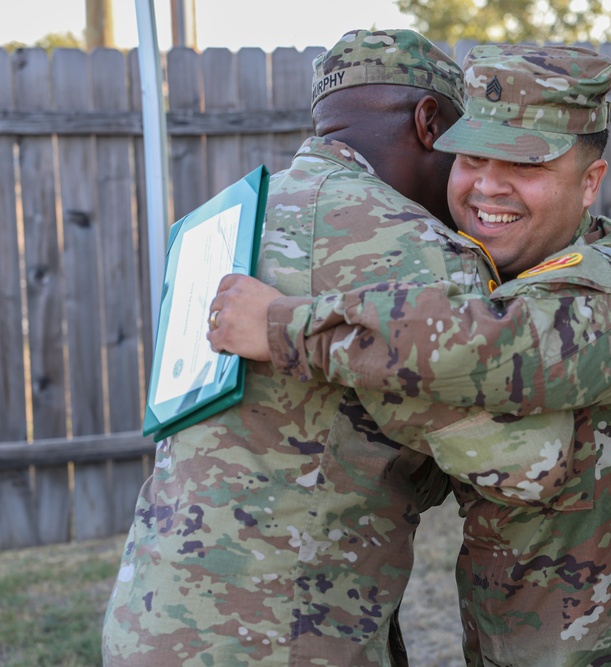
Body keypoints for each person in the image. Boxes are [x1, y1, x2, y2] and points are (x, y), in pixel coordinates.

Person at [208, 44, 611, 666]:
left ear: (589, 183)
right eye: (472, 157)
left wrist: (284, 326)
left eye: (525, 167)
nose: (487, 187)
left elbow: (504, 347)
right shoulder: (467, 284)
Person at [102, 29, 512, 667]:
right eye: (461, 149)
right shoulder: (429, 254)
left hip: (149, 618)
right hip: (289, 638)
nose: (463, 177)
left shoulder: (223, 227)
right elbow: (496, 461)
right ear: (430, 122)